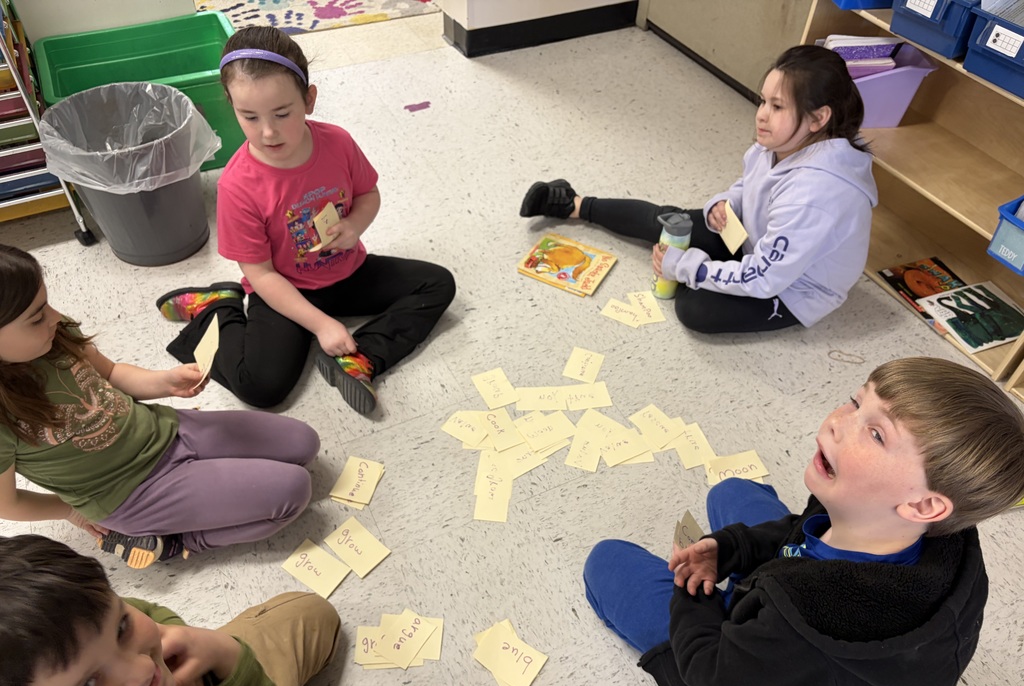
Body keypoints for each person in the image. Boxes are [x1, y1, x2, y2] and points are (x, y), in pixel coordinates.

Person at [583, 356, 1024, 686]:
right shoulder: (947, 544)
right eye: (856, 400)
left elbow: (715, 675)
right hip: (829, 665)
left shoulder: (805, 634)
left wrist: (693, 591)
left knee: (607, 562)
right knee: (730, 491)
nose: (837, 422)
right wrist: (733, 548)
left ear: (925, 506)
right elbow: (803, 528)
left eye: (875, 433)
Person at [157, 26, 456, 414]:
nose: (267, 132)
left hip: (348, 271)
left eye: (283, 114)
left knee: (437, 283)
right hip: (282, 289)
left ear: (309, 99)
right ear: (231, 105)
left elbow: (368, 194)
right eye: (248, 117)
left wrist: (355, 227)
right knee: (262, 388)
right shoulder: (237, 185)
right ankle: (220, 306)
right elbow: (262, 275)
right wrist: (320, 325)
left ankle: (361, 359)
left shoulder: (339, 143)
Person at [0, 534, 452, 686]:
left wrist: (190, 662)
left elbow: (146, 612)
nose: (141, 670)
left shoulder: (69, 628)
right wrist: (231, 660)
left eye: (119, 628)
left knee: (310, 610)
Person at [0, 244, 319, 569]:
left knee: (304, 443)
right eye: (37, 317)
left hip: (165, 430)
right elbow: (8, 505)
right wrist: (71, 512)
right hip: (132, 493)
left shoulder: (55, 334)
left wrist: (165, 381)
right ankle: (179, 542)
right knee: (294, 492)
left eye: (47, 305)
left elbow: (110, 373)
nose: (55, 318)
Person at [520, 45, 877, 334]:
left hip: (792, 289)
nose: (762, 115)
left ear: (819, 118)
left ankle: (708, 268)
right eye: (763, 101)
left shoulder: (817, 194)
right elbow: (750, 185)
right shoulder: (781, 141)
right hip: (751, 242)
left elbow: (766, 278)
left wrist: (692, 267)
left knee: (695, 309)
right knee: (671, 222)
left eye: (777, 106)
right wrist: (724, 202)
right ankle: (575, 204)